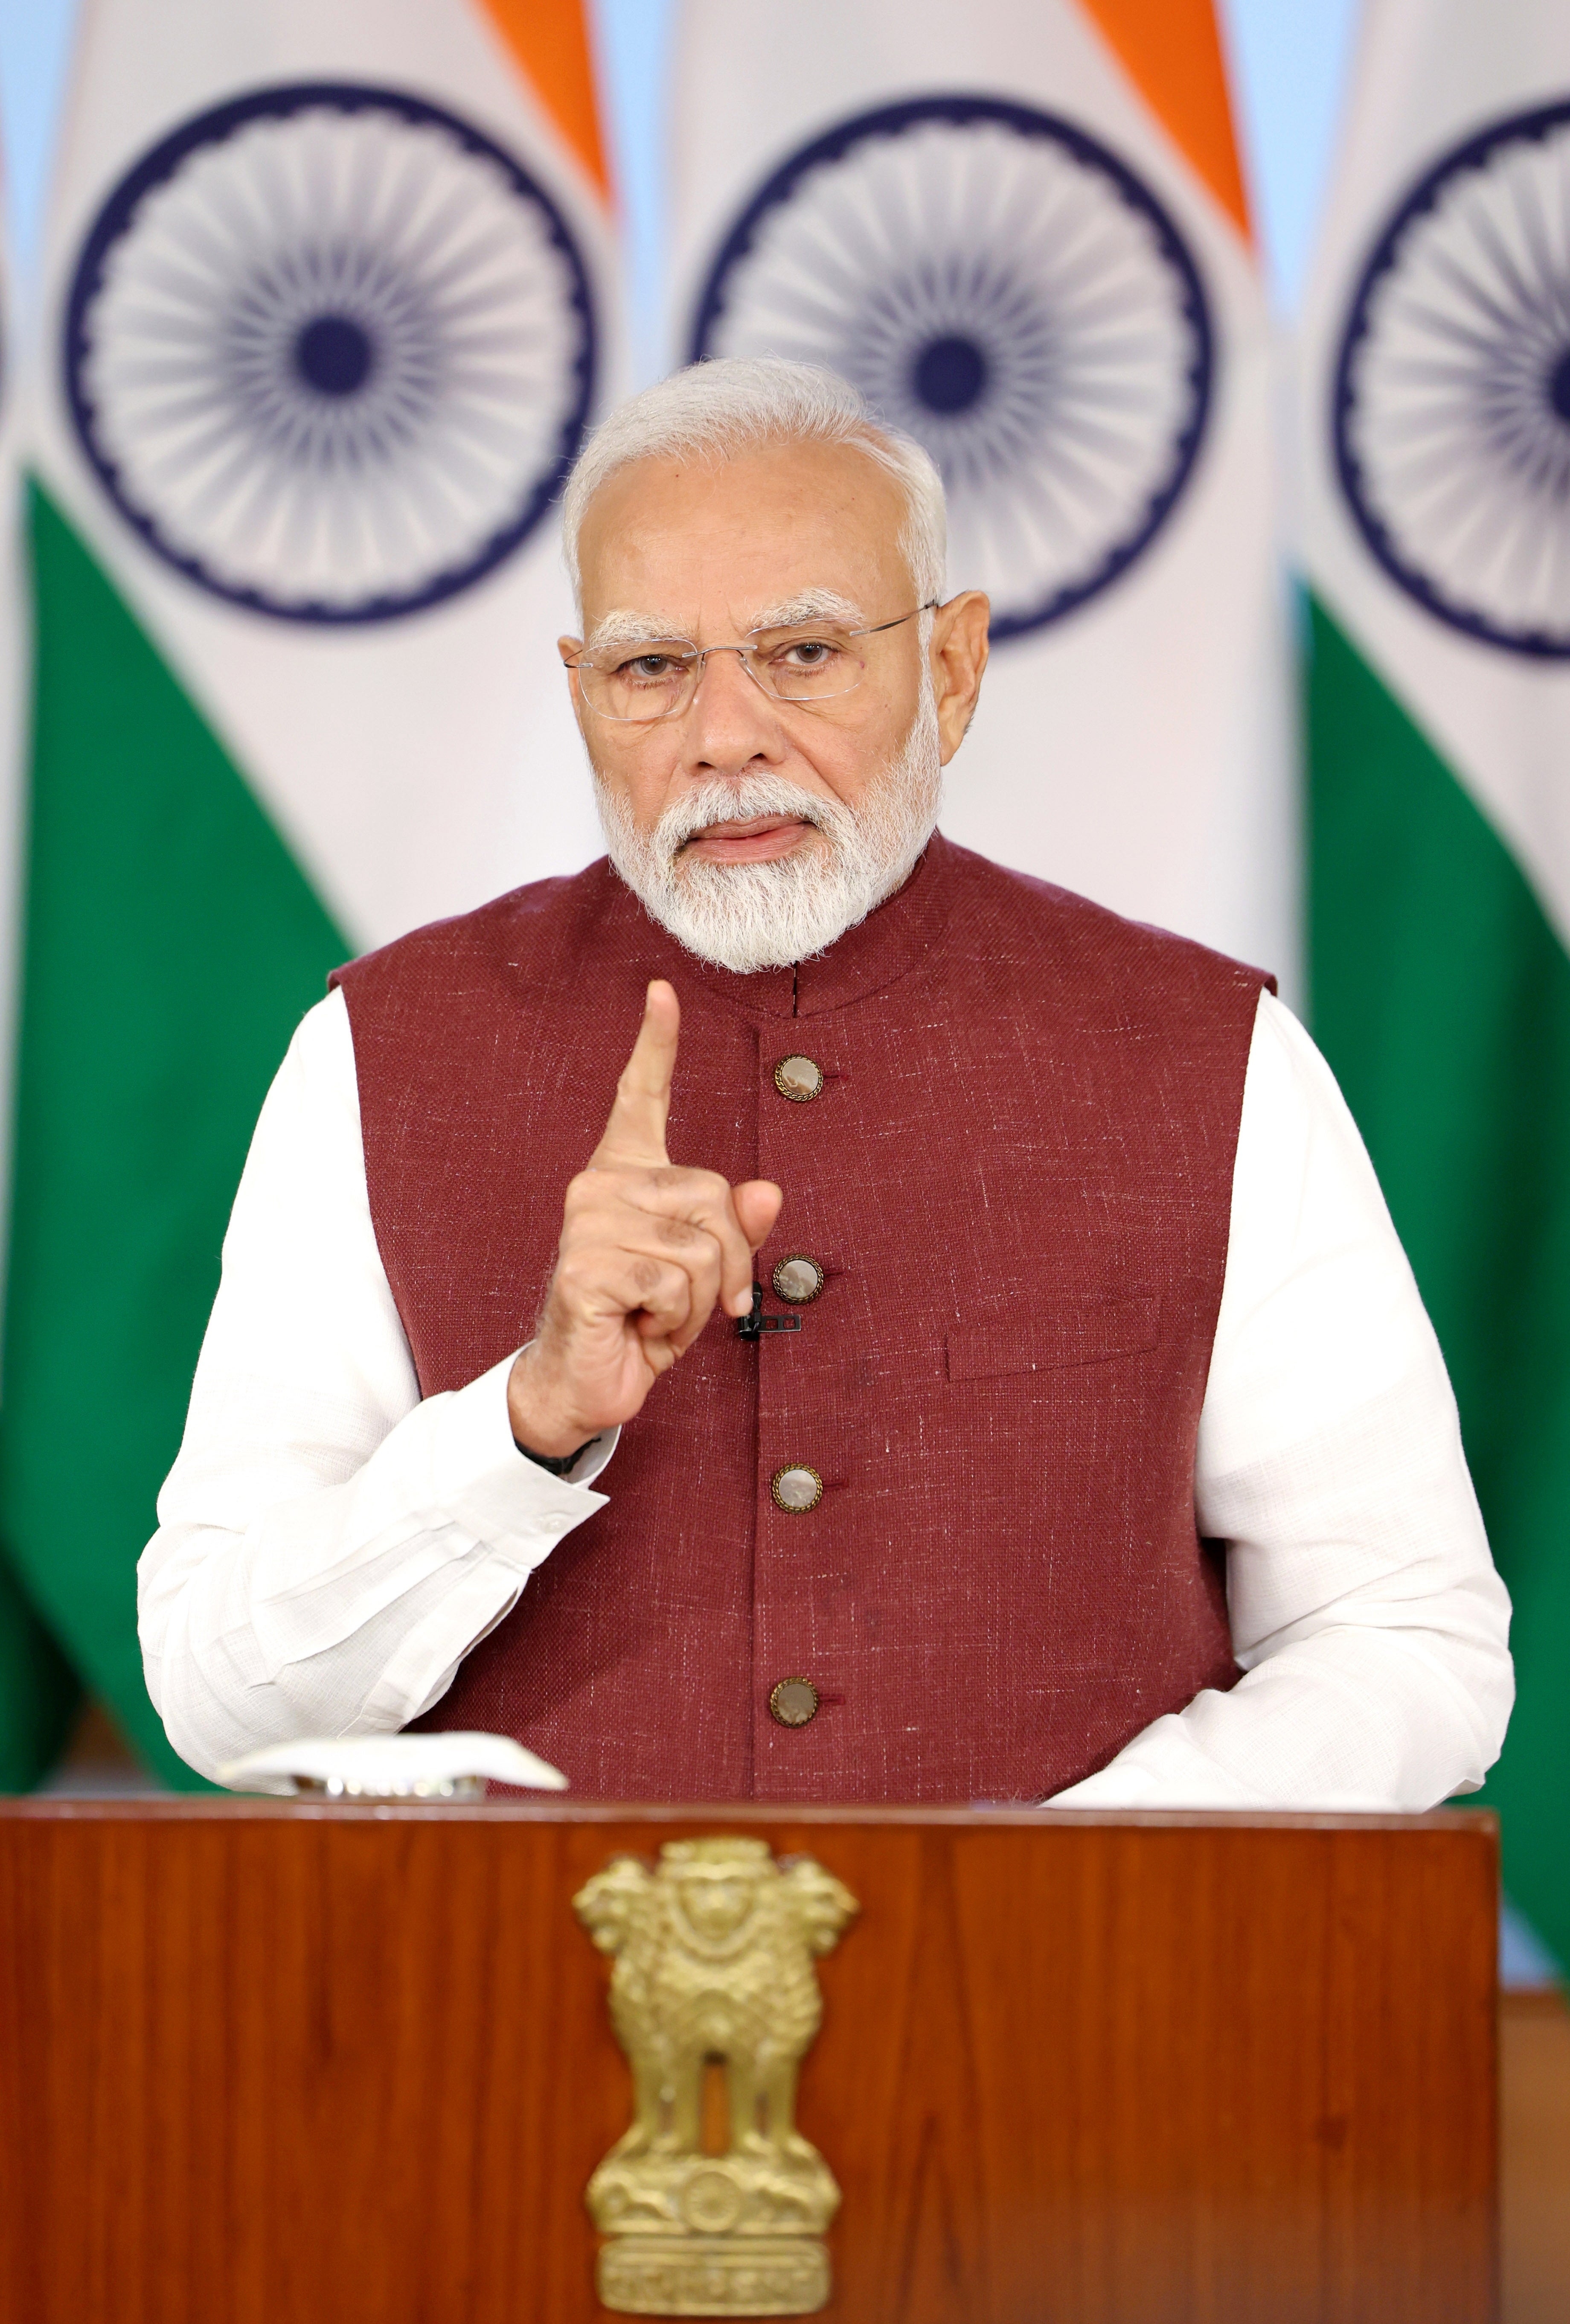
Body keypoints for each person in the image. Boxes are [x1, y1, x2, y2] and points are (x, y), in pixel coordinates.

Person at [139, 358, 1512, 1808]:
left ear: (955, 667)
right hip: (513, 2015)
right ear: (582, 692)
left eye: (802, 653)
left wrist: (1064, 1888)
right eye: (652, 668)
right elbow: (220, 1702)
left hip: (1066, 2018)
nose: (724, 738)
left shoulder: (1206, 1055)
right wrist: (525, 1422)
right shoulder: (381, 1049)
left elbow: (1404, 1634)